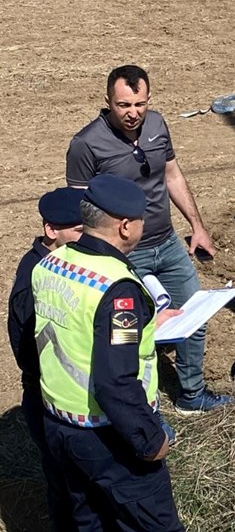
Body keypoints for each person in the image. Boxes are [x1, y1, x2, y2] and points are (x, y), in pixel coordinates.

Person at [66, 65, 232, 413]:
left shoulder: (156, 125)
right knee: (133, 334)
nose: (133, 113)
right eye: (123, 105)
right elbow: (80, 211)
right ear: (107, 101)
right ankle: (141, 408)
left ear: (149, 99)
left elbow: (171, 175)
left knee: (192, 316)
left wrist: (197, 226)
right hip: (124, 255)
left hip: (168, 243)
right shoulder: (86, 145)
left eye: (139, 104)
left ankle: (192, 394)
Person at [33, 174, 185, 530]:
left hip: (58, 426)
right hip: (108, 437)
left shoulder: (50, 264)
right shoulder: (118, 288)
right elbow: (115, 382)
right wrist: (151, 440)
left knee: (91, 521)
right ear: (125, 226)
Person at [7, 188, 85, 531]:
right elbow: (28, 351)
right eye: (80, 231)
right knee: (68, 485)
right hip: (49, 400)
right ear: (51, 231)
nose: (90, 238)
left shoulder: (62, 262)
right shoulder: (34, 278)